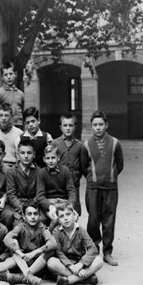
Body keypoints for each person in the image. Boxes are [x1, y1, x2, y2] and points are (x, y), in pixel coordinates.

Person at [81, 110, 124, 267]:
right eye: (95, 125)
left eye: (101, 124)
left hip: (111, 187)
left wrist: (110, 177)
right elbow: (83, 166)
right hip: (93, 187)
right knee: (93, 219)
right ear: (91, 126)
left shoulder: (115, 143)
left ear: (106, 125)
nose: (98, 128)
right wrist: (93, 178)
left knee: (109, 219)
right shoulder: (86, 145)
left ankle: (107, 252)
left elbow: (120, 165)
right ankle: (94, 248)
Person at [3, 201, 58, 285]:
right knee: (14, 242)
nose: (33, 217)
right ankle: (29, 277)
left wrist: (34, 253)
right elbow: (6, 238)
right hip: (23, 261)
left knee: (50, 250)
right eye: (29, 214)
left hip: (38, 264)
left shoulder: (42, 228)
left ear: (39, 216)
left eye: (35, 214)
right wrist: (20, 253)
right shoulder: (20, 227)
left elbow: (53, 243)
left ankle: (23, 277)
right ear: (24, 217)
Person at [47, 202, 102, 285]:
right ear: (58, 219)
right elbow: (58, 252)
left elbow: (92, 248)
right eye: (62, 216)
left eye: (68, 214)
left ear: (74, 215)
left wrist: (81, 264)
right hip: (65, 263)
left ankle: (69, 280)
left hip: (80, 262)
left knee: (99, 260)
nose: (65, 218)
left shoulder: (80, 230)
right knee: (51, 262)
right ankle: (86, 278)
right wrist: (71, 266)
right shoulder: (56, 231)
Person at [36, 145, 77, 231]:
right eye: (48, 158)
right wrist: (49, 206)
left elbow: (71, 191)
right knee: (56, 218)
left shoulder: (65, 170)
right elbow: (40, 195)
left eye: (53, 158)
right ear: (44, 159)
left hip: (64, 203)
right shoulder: (41, 173)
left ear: (58, 158)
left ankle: (69, 241)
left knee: (74, 218)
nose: (50, 161)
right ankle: (49, 237)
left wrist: (70, 204)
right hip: (50, 203)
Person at [52, 115, 83, 215]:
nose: (68, 128)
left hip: (74, 182)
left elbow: (83, 165)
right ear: (61, 127)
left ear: (75, 127)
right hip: (59, 183)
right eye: (65, 125)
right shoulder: (55, 143)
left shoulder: (79, 145)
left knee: (74, 210)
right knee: (59, 209)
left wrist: (76, 175)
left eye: (71, 125)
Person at [6, 139, 40, 229]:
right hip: (18, 206)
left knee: (42, 220)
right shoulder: (12, 171)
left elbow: (39, 193)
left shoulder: (39, 171)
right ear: (18, 155)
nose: (26, 156)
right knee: (18, 224)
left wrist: (31, 207)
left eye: (29, 153)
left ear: (34, 154)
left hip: (34, 205)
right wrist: (23, 210)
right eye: (22, 153)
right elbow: (11, 194)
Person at [0, 62, 24, 129]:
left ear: (15, 74)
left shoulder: (21, 94)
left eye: (11, 74)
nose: (9, 77)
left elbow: (23, 112)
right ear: (2, 77)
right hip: (5, 127)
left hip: (19, 128)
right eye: (6, 75)